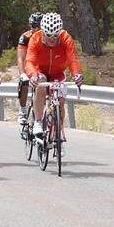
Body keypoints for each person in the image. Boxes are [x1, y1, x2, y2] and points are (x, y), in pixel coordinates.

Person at [22, 12, 83, 140]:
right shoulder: (36, 38)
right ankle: (38, 121)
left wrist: (77, 74)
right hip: (40, 71)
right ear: (42, 32)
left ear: (60, 32)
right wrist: (33, 75)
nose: (52, 39)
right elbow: (29, 61)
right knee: (40, 83)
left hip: (58, 73)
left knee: (60, 102)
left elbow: (73, 59)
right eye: (48, 35)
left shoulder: (66, 38)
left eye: (55, 35)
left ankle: (58, 129)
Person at [16, 12, 42, 128]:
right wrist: (22, 74)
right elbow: (21, 58)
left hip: (41, 65)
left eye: (39, 26)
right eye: (34, 26)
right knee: (24, 83)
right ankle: (23, 110)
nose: (36, 29)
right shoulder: (25, 37)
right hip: (28, 64)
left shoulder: (48, 36)